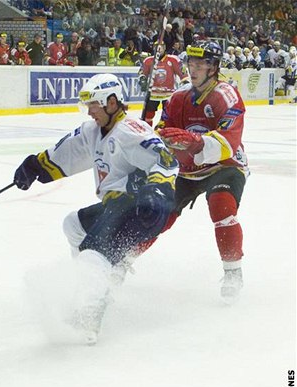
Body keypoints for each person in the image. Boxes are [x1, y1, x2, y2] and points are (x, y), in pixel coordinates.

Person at [13, 73, 179, 343]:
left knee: (94, 252)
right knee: (74, 225)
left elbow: (166, 161)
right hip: (115, 204)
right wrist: (36, 167)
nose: (90, 112)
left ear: (112, 103)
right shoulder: (93, 131)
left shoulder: (130, 131)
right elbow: (68, 152)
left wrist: (156, 190)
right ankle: (99, 283)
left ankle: (89, 316)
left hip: (142, 208)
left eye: (94, 105)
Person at [156, 40, 249, 304]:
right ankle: (123, 261)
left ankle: (233, 274)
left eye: (200, 65)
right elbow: (162, 130)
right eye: (190, 64)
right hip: (187, 169)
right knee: (157, 213)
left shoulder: (226, 95)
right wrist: (158, 136)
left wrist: (194, 142)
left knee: (221, 206)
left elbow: (227, 143)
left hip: (224, 165)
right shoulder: (178, 97)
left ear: (214, 67)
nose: (193, 69)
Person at [139, 41, 190, 126]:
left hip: (168, 94)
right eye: (156, 46)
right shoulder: (148, 60)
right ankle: (148, 132)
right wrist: (143, 80)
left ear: (165, 47)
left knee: (168, 117)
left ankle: (164, 131)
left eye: (161, 46)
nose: (159, 49)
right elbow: (142, 73)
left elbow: (183, 73)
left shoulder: (173, 59)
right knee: (148, 116)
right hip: (153, 93)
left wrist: (185, 82)